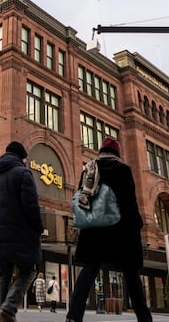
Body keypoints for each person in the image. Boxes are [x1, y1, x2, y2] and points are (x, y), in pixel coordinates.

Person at [65, 136, 152, 322]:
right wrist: (137, 225)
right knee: (131, 275)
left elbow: (84, 199)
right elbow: (129, 204)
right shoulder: (122, 170)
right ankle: (144, 318)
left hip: (93, 230)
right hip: (119, 231)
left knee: (89, 271)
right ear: (117, 153)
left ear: (101, 152)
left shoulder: (89, 168)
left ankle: (73, 316)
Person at [0, 141, 43, 322]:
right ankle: (8, 310)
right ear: (21, 156)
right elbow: (31, 205)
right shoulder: (23, 173)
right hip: (20, 232)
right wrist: (38, 227)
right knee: (29, 269)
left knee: (4, 272)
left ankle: (2, 313)